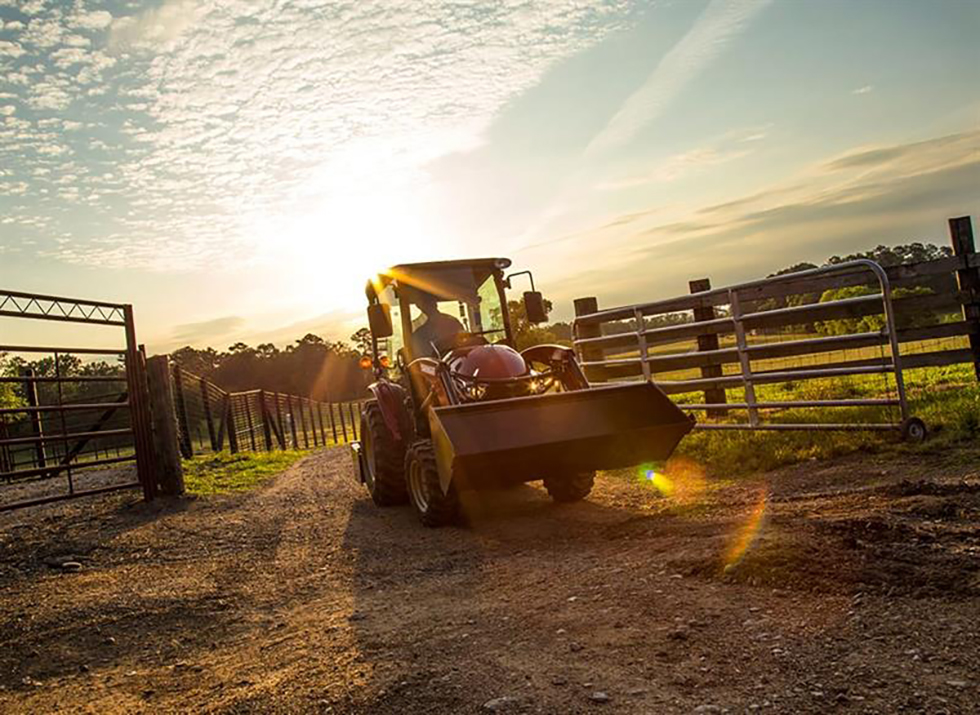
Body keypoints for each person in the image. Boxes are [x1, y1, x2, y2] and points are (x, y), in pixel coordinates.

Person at [410, 293, 463, 357]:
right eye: (425, 302)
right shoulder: (419, 336)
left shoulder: (453, 323)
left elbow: (464, 344)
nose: (428, 305)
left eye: (430, 300)